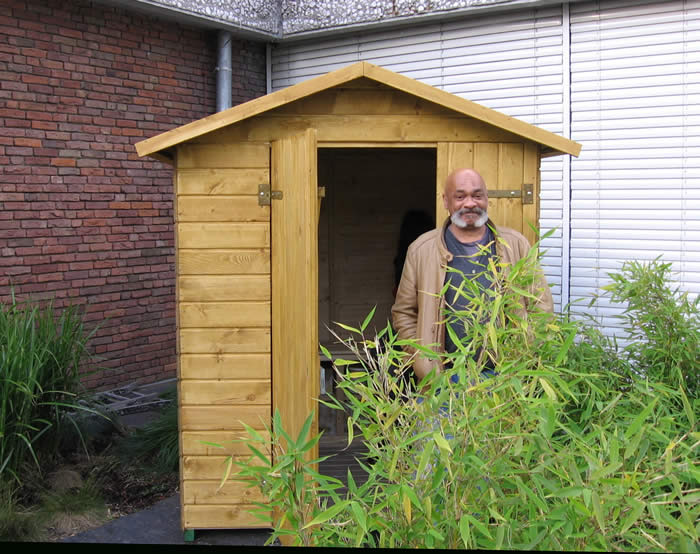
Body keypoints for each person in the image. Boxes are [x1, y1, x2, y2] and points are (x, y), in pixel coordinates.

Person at [391, 168, 553, 383]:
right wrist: (422, 357)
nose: (470, 203)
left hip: (505, 377)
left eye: (477, 196)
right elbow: (404, 312)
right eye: (460, 197)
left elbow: (541, 307)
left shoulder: (516, 244)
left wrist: (523, 355)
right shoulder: (421, 250)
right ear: (446, 201)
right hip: (442, 380)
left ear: (487, 199)